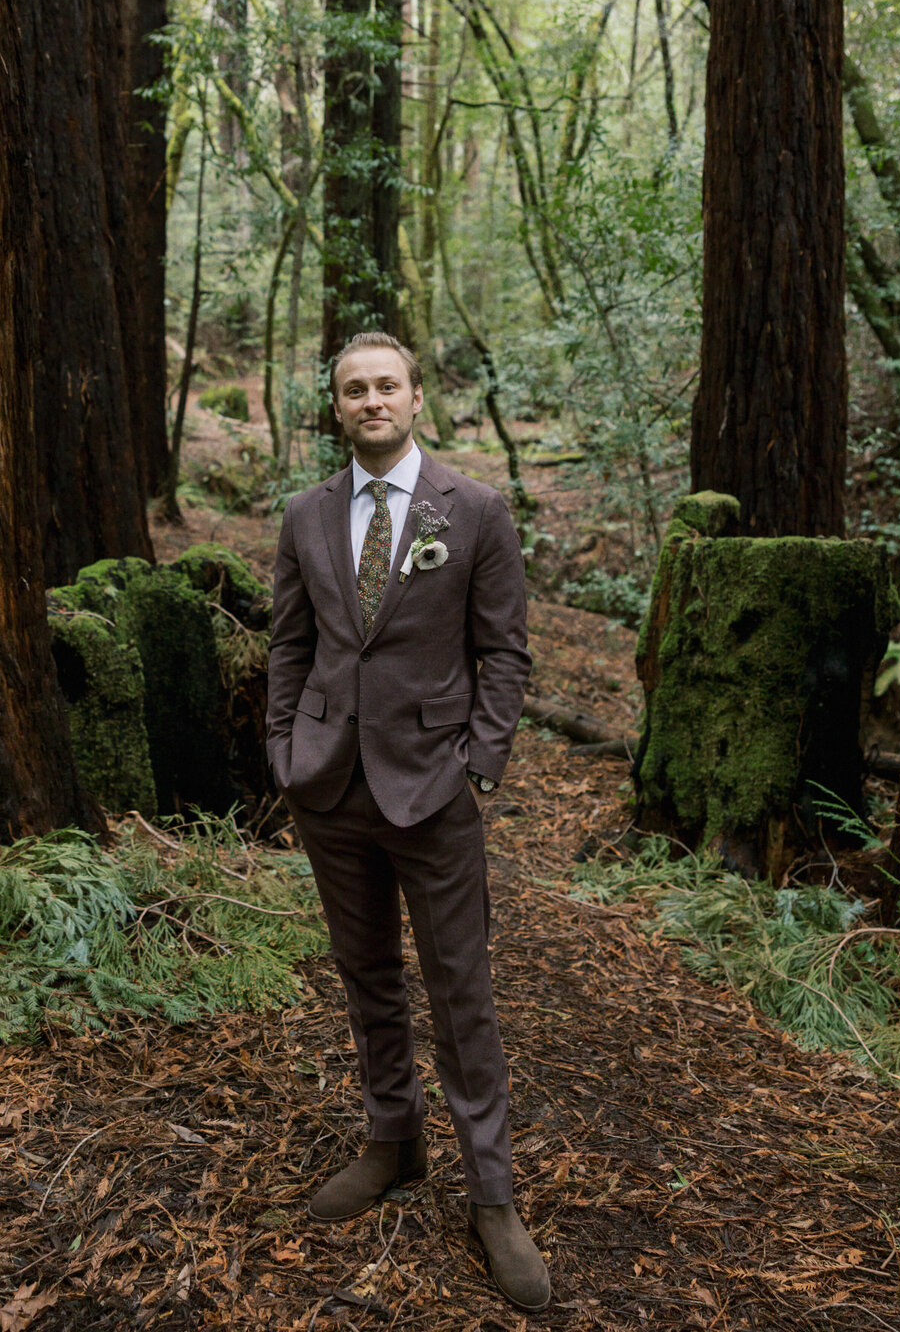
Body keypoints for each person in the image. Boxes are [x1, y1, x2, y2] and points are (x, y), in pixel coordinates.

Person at [266, 330, 549, 1312]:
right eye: (355, 389)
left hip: (433, 789)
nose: (372, 400)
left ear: (415, 397)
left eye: (387, 385)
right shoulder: (305, 514)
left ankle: (494, 1194)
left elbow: (504, 653)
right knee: (367, 974)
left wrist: (480, 759)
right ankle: (393, 1140)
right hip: (329, 787)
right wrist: (284, 749)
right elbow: (288, 644)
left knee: (460, 988)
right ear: (337, 406)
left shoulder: (474, 511)